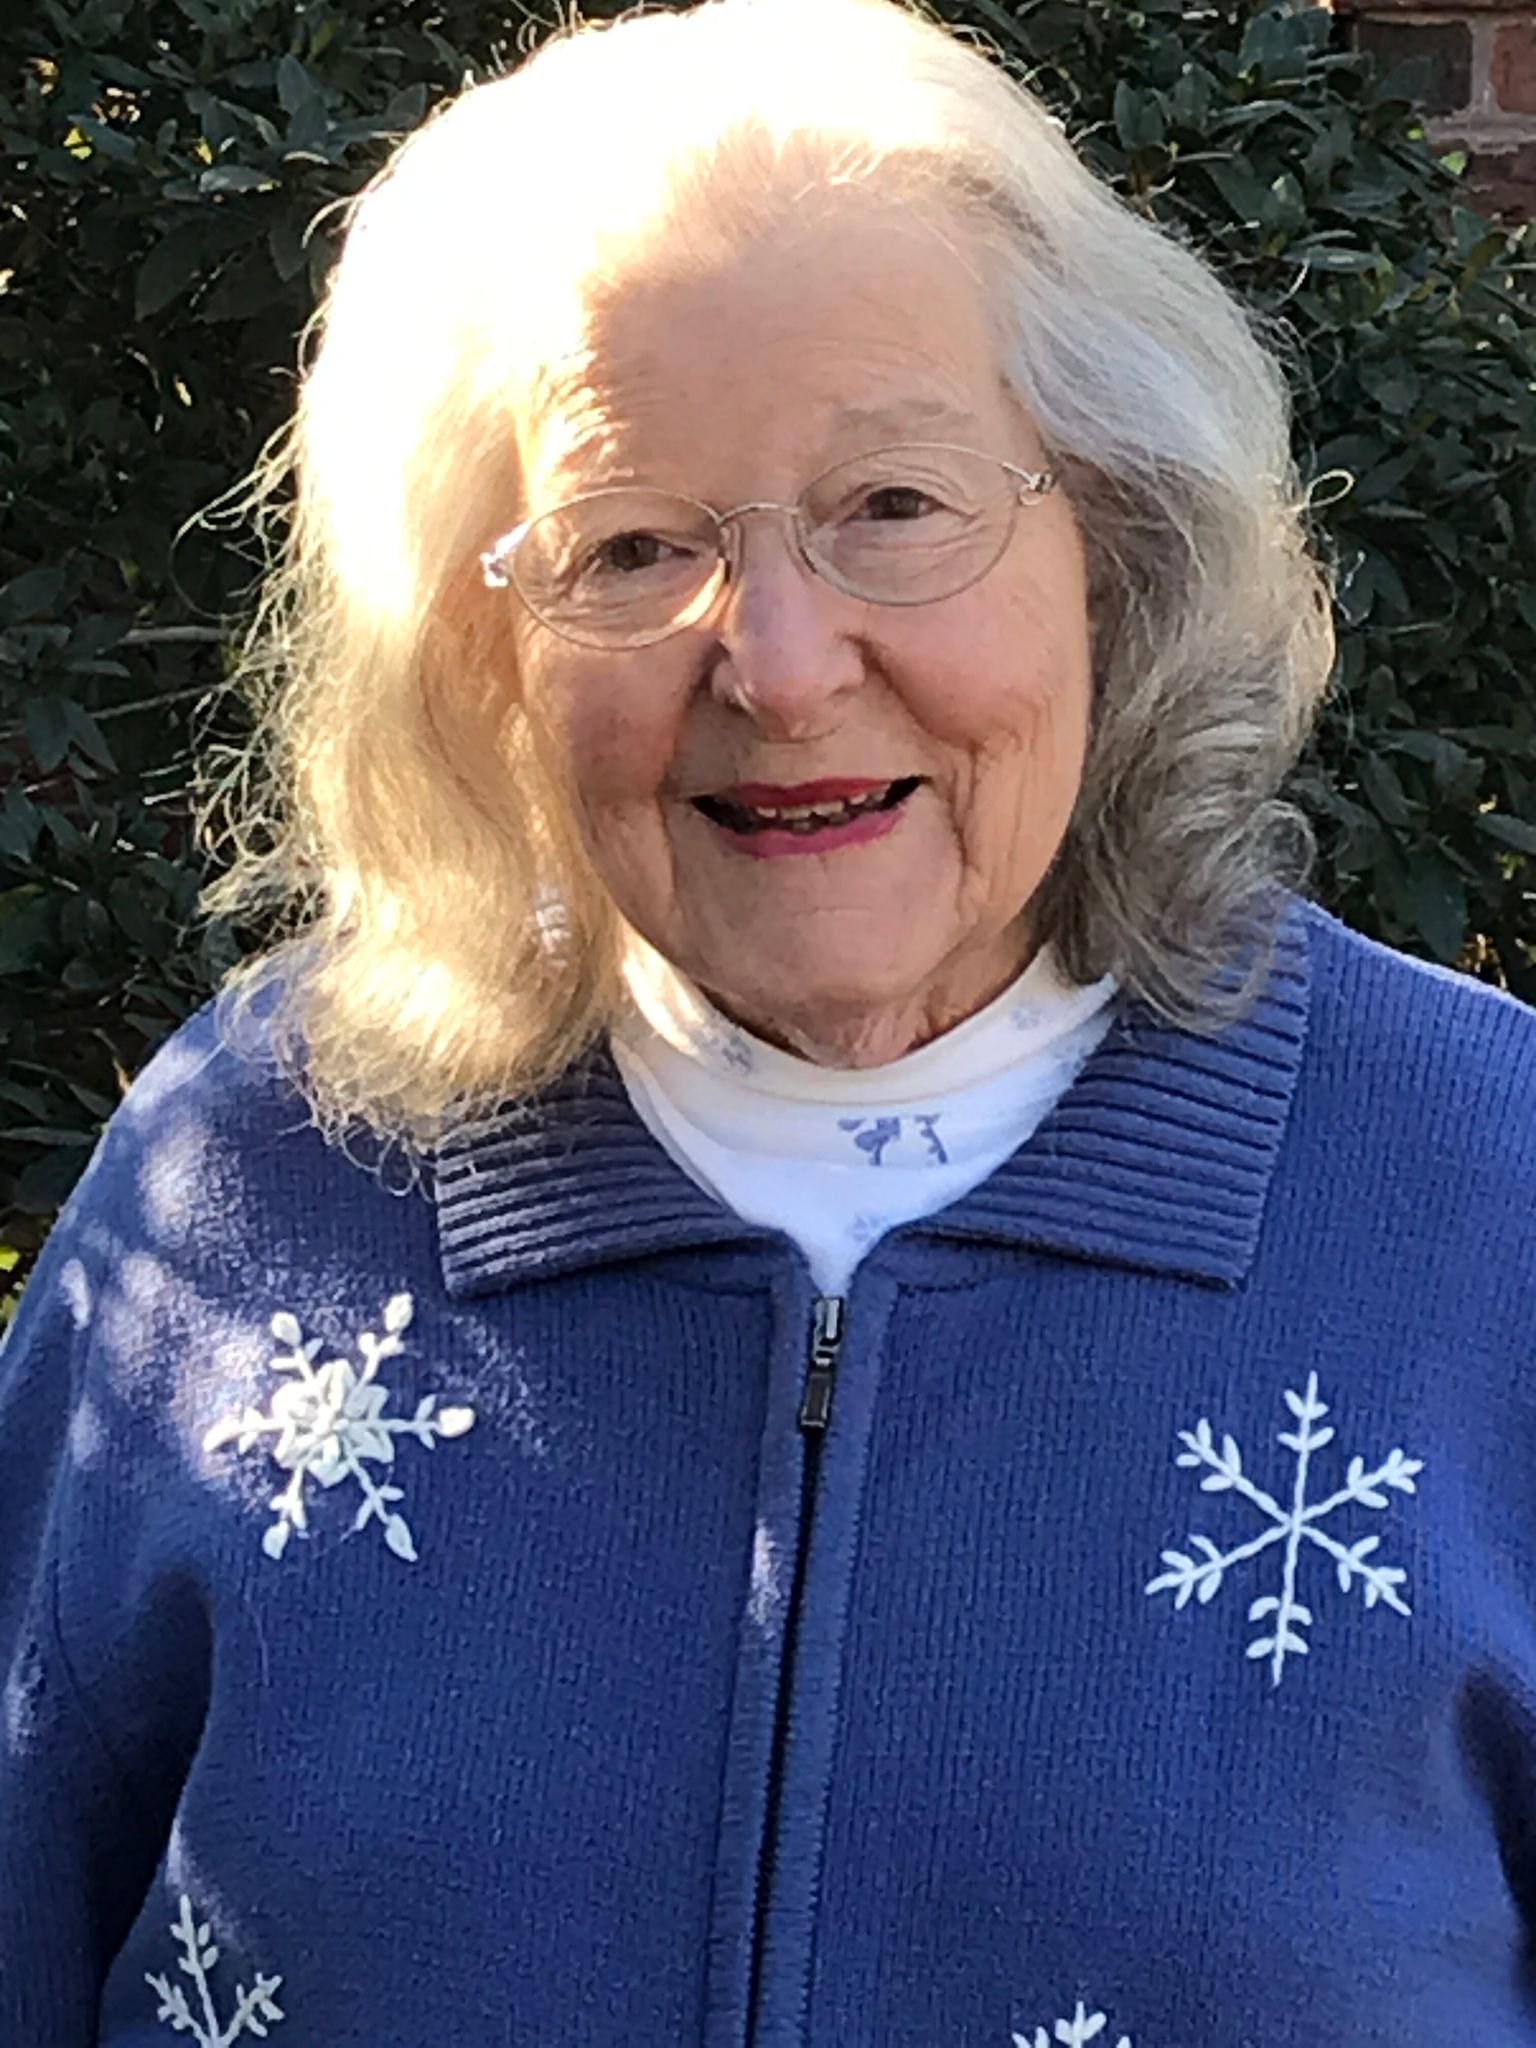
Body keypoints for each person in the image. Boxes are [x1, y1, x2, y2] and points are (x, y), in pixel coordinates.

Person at [3, 0, 1533, 2039]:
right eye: (632, 548)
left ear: (1110, 544)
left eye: (894, 504)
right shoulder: (256, 1165)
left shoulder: (1482, 1196)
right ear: (482, 646)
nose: (784, 665)